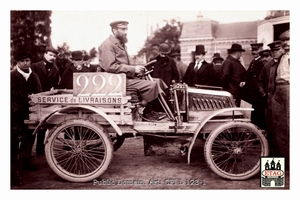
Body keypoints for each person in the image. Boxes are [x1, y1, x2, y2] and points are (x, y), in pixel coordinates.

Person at [98, 21, 167, 114]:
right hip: (117, 82)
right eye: (123, 29)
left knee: (159, 81)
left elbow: (126, 64)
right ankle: (146, 111)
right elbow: (110, 66)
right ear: (114, 30)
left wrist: (137, 69)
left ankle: (152, 109)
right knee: (152, 85)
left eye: (126, 29)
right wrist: (133, 69)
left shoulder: (120, 44)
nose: (126, 32)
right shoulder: (107, 45)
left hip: (124, 79)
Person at [11, 52, 42, 185]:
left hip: (30, 114)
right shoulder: (11, 77)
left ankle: (25, 163)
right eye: (22, 60)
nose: (25, 63)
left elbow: (39, 94)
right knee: (12, 144)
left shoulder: (34, 76)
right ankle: (12, 174)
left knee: (29, 139)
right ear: (17, 62)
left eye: (27, 60)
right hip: (14, 115)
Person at [31, 46, 60, 156]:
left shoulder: (55, 69)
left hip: (47, 99)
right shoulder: (35, 66)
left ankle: (39, 149)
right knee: (32, 125)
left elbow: (55, 85)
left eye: (54, 56)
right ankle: (27, 152)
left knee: (43, 123)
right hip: (34, 98)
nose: (52, 57)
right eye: (50, 55)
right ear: (45, 54)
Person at [272, 31, 290, 168]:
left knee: (290, 125)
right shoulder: (283, 56)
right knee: (278, 124)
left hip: (289, 89)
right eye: (283, 40)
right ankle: (284, 157)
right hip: (278, 90)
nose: (286, 43)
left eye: (289, 40)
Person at [243, 43, 266, 129]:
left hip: (258, 93)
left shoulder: (262, 62)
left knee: (259, 114)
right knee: (254, 113)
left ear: (261, 50)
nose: (254, 52)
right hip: (252, 93)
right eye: (253, 50)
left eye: (256, 50)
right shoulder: (253, 61)